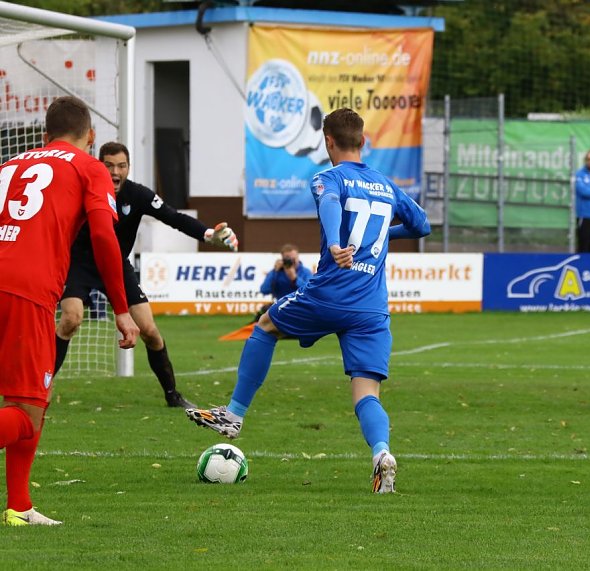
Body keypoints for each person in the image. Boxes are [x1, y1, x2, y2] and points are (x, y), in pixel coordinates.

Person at [187, 108, 430, 493]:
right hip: (371, 307)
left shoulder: (327, 177)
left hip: (331, 294)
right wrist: (379, 237)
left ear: (327, 141)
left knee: (265, 325)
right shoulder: (386, 185)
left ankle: (233, 415)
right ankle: (381, 454)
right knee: (366, 392)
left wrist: (335, 242)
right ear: (363, 141)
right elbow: (422, 225)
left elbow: (331, 202)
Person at [0, 96, 139, 526]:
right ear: (90, 137)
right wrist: (121, 307)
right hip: (25, 291)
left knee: (25, 400)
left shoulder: (9, 164)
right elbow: (103, 237)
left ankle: (20, 507)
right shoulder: (88, 166)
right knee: (26, 409)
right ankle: (19, 506)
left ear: (43, 137)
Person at [54, 142, 238, 408]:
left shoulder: (137, 195)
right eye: (108, 165)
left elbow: (173, 217)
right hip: (80, 265)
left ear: (128, 168)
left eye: (121, 166)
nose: (115, 171)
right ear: (98, 165)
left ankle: (172, 395)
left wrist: (208, 235)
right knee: (70, 319)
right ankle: (41, 388)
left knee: (150, 331)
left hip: (117, 265)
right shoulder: (82, 190)